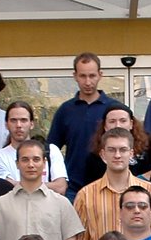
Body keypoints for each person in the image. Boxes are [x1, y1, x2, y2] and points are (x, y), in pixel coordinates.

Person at [74, 127, 151, 240]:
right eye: (112, 150)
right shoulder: (85, 196)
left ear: (131, 154)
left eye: (123, 150)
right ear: (102, 154)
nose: (117, 155)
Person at [48, 52, 113, 198]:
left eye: (92, 76)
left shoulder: (113, 109)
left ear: (100, 75)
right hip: (72, 188)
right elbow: (52, 149)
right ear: (75, 76)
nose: (88, 82)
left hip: (108, 186)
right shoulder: (65, 110)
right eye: (83, 76)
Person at [0, 100, 69, 194]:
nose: (18, 125)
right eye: (13, 120)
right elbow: (5, 188)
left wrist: (19, 184)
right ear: (6, 124)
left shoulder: (51, 150)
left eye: (23, 120)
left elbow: (60, 188)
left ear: (31, 124)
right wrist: (45, 185)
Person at [81, 103, 151, 186]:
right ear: (105, 126)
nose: (118, 125)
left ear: (131, 124)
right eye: (112, 121)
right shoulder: (94, 157)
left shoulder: (145, 153)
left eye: (123, 121)